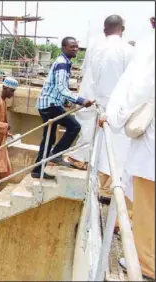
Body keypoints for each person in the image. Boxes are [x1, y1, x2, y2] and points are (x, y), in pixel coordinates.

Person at [100, 17, 155, 280]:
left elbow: (136, 93)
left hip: (150, 151)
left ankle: (146, 265)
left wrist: (114, 118)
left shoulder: (149, 49)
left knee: (148, 208)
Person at [68, 15, 134, 180]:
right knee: (110, 138)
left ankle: (85, 159)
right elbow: (131, 80)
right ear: (123, 29)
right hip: (114, 102)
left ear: (105, 29)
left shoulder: (95, 47)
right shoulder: (128, 50)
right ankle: (101, 168)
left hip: (92, 95)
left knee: (89, 128)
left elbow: (86, 71)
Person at [31, 37, 95, 179]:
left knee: (49, 138)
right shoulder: (62, 64)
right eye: (72, 46)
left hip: (49, 104)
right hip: (50, 105)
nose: (75, 49)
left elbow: (59, 87)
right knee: (74, 127)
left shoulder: (64, 62)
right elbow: (61, 88)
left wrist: (67, 101)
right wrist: (80, 100)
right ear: (64, 47)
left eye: (77, 47)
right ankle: (55, 155)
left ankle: (37, 169)